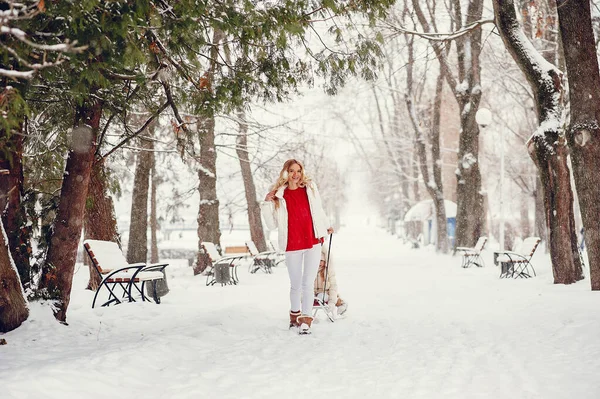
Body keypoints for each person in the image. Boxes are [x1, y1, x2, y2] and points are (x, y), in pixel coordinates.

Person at [261, 159, 333, 334]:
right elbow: (271, 225)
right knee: (295, 284)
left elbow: (319, 210)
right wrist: (266, 203)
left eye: (298, 171)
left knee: (308, 282)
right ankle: (294, 315)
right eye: (291, 171)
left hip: (312, 241)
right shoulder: (278, 196)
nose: (295, 174)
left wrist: (326, 225)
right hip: (292, 244)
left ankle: (306, 319)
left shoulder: (310, 188)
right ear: (285, 173)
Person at [314, 238, 347, 319]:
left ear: (325, 261)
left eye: (321, 260)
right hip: (315, 295)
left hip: (326, 294)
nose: (319, 263)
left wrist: (332, 302)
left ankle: (341, 304)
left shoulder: (328, 273)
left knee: (325, 296)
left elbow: (333, 287)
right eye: (317, 260)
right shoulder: (311, 272)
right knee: (320, 296)